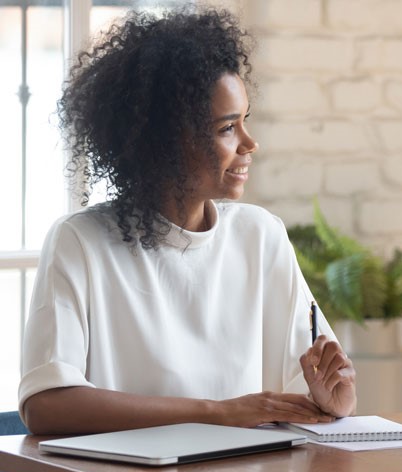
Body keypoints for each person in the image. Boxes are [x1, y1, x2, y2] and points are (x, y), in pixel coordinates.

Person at [18, 7, 355, 440]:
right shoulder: (81, 243)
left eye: (244, 121)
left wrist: (336, 400)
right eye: (227, 128)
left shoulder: (260, 236)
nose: (250, 143)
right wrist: (217, 412)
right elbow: (47, 407)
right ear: (166, 144)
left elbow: (309, 386)